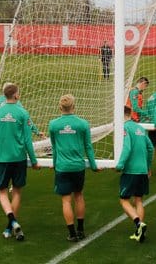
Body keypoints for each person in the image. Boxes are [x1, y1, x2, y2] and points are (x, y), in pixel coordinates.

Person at [0, 83, 40, 241]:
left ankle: (11, 223)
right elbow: (27, 141)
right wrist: (34, 161)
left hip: (1, 159)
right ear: (16, 95)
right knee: (16, 191)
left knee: (2, 192)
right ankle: (11, 225)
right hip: (19, 159)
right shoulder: (23, 113)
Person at [48, 94, 99, 242]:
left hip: (62, 167)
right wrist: (94, 166)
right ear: (74, 106)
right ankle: (81, 230)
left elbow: (54, 147)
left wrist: (55, 163)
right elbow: (88, 147)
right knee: (79, 196)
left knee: (66, 200)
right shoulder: (82, 124)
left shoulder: (53, 125)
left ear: (60, 107)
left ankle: (72, 233)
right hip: (78, 167)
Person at [116, 106, 154, 243]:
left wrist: (119, 165)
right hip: (143, 170)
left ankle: (138, 223)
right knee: (138, 200)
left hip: (131, 170)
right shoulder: (141, 128)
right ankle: (140, 233)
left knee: (124, 200)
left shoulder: (125, 128)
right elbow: (150, 148)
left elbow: (127, 148)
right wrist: (148, 166)